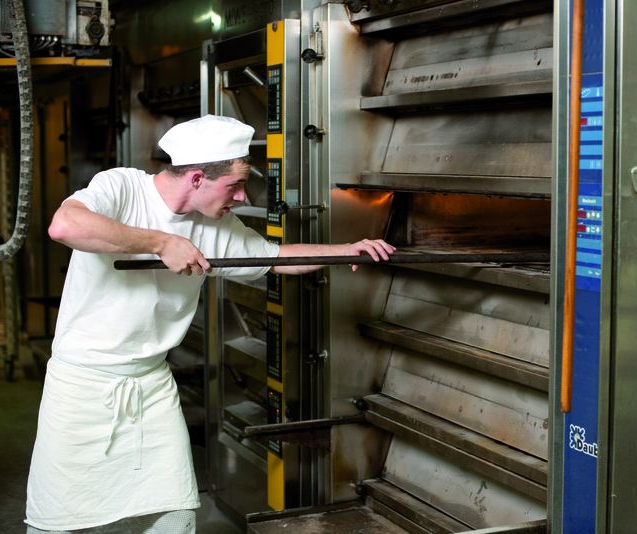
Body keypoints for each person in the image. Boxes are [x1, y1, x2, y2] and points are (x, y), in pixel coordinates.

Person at [25, 115, 395, 533]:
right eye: (233, 186)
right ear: (197, 178)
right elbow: (65, 225)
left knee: (176, 511)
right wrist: (162, 242)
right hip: (81, 385)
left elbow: (277, 258)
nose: (241, 196)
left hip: (151, 385)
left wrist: (347, 249)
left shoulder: (215, 225)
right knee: (57, 519)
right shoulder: (122, 188)